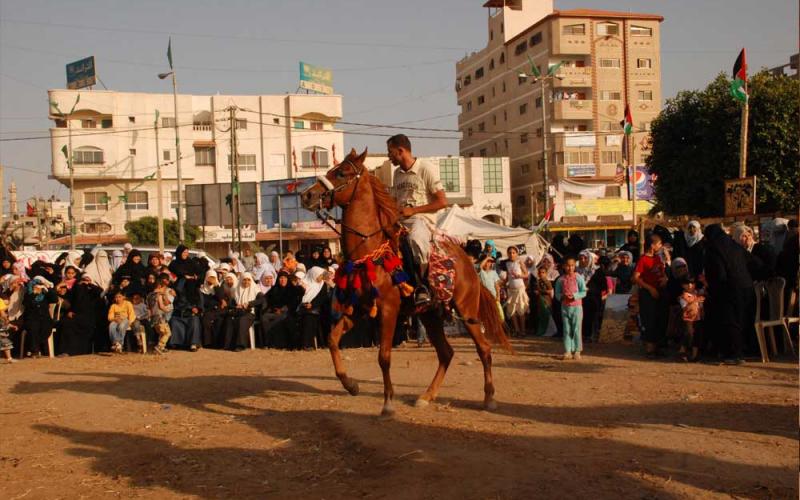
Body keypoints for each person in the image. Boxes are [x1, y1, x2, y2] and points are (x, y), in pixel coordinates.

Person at [388, 134, 447, 305]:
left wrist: (412, 210)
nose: (389, 156)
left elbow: (442, 201)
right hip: (401, 220)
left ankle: (423, 285)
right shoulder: (397, 173)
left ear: (401, 150)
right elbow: (395, 200)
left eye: (390, 152)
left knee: (415, 239)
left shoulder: (426, 168)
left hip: (422, 220)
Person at [703, 224, 754, 365]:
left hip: (728, 289)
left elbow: (718, 273)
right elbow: (754, 262)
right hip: (747, 287)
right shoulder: (735, 245)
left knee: (730, 321)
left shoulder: (714, 249)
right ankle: (744, 350)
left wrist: (713, 289)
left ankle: (734, 354)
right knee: (742, 319)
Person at [633, 233, 669, 358]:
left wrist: (665, 278)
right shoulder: (643, 259)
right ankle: (649, 348)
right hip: (648, 293)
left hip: (660, 291)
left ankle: (658, 346)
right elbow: (636, 277)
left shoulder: (658, 258)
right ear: (652, 245)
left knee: (660, 319)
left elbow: (662, 273)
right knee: (649, 320)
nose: (660, 246)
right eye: (659, 244)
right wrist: (650, 288)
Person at [554, 257, 587, 360]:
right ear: (564, 266)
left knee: (577, 329)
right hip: (565, 307)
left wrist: (574, 296)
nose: (570, 268)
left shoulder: (579, 277)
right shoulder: (560, 279)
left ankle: (577, 350)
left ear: (575, 266)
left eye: (572, 265)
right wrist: (562, 297)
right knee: (567, 329)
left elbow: (584, 291)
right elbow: (557, 293)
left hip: (577, 307)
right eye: (568, 266)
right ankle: (567, 351)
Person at [221, 272, 261, 351]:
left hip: (250, 313)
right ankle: (228, 344)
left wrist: (249, 304)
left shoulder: (255, 289)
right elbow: (231, 303)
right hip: (238, 311)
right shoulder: (237, 290)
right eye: (244, 280)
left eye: (248, 280)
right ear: (241, 280)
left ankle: (240, 345)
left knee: (242, 320)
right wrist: (236, 306)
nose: (246, 282)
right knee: (229, 319)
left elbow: (262, 300)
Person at [22, 276, 57, 357]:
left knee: (45, 328)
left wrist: (48, 288)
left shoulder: (45, 293)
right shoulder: (28, 294)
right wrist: (34, 294)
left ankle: (35, 348)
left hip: (45, 318)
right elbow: (26, 303)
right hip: (31, 318)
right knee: (33, 328)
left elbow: (55, 299)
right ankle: (35, 350)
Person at [298, 267, 329, 350]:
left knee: (310, 317)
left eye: (322, 276)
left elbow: (322, 298)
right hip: (301, 306)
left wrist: (312, 304)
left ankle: (308, 344)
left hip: (316, 308)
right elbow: (298, 296)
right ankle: (304, 344)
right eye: (320, 276)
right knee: (306, 316)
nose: (321, 278)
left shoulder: (322, 285)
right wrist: (302, 290)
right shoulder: (303, 283)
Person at [503, 246, 529, 337]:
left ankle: (523, 331)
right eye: (510, 252)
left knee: (521, 311)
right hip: (511, 290)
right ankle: (517, 330)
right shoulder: (507, 264)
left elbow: (526, 275)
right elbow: (507, 277)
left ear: (516, 254)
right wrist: (501, 284)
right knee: (512, 311)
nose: (511, 254)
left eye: (513, 252)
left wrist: (519, 276)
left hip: (520, 289)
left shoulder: (519, 262)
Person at [147, 273, 173, 354]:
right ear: (159, 286)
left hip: (153, 318)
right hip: (160, 317)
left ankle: (162, 347)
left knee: (161, 333)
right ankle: (159, 346)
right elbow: (161, 306)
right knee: (167, 333)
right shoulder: (158, 295)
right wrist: (167, 310)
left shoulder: (149, 295)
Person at [200, 270, 225, 348]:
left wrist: (216, 285)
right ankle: (208, 343)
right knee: (206, 320)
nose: (211, 279)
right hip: (208, 310)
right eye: (210, 277)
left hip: (218, 310)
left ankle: (217, 343)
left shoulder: (219, 287)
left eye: (213, 277)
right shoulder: (202, 289)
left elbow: (221, 298)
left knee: (219, 321)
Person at [532, 266, 555, 337]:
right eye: (540, 272)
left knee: (547, 315)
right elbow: (535, 290)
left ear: (546, 273)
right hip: (540, 301)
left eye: (543, 272)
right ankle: (541, 331)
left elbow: (550, 291)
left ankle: (549, 331)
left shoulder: (547, 281)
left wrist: (540, 291)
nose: (541, 274)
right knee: (541, 316)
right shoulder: (537, 281)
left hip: (546, 301)